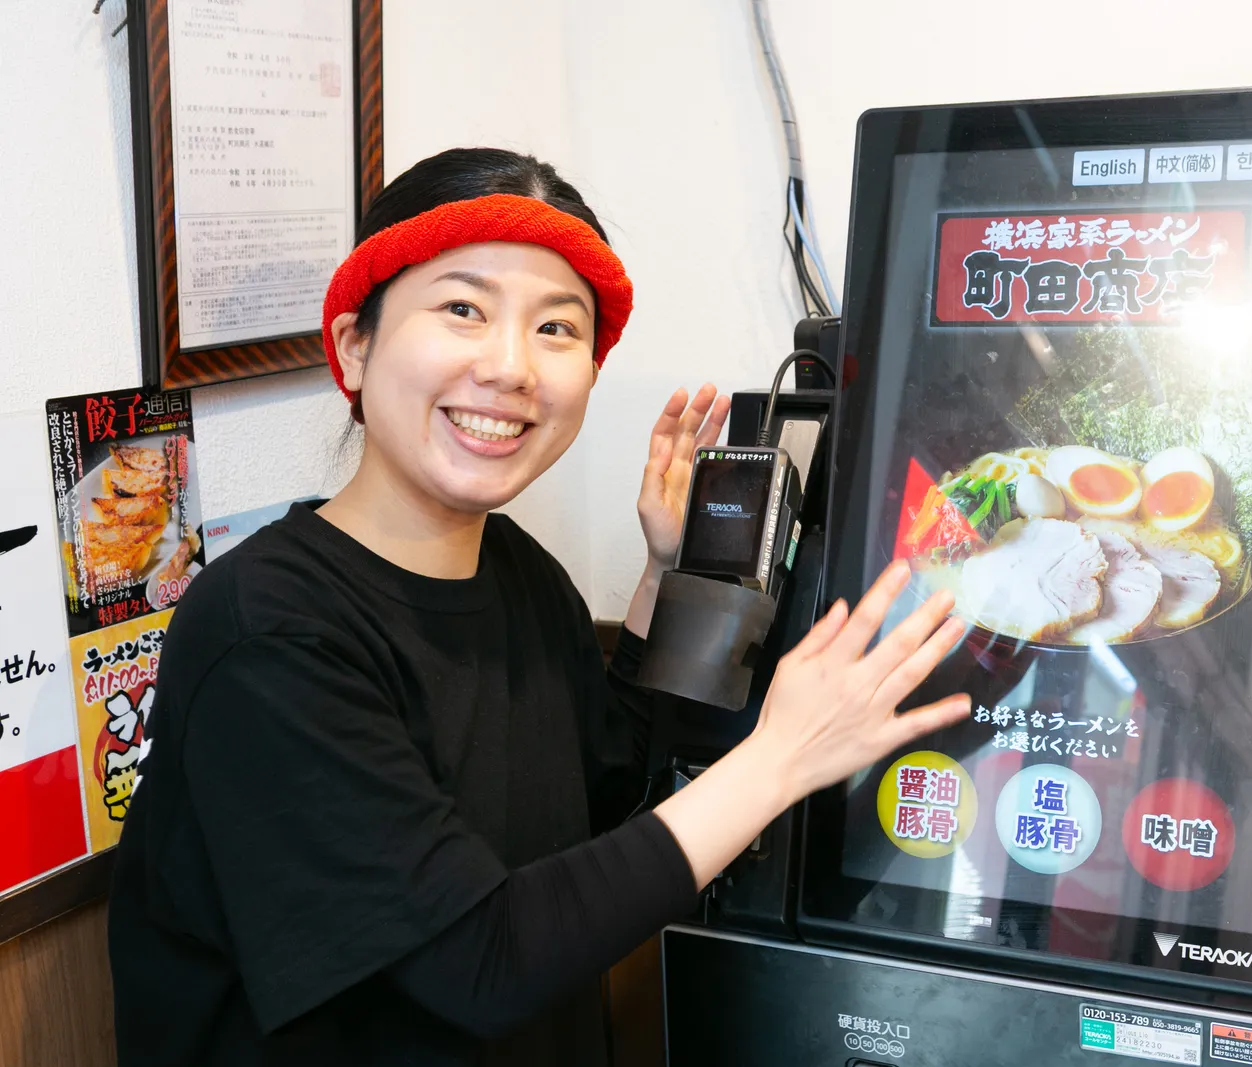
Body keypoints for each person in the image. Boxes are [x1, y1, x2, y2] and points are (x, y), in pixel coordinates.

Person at [107, 147, 969, 1066]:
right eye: (462, 308)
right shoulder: (268, 630)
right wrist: (784, 757)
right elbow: (480, 960)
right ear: (355, 344)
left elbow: (604, 805)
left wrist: (666, 579)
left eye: (557, 329)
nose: (511, 368)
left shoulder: (519, 572)